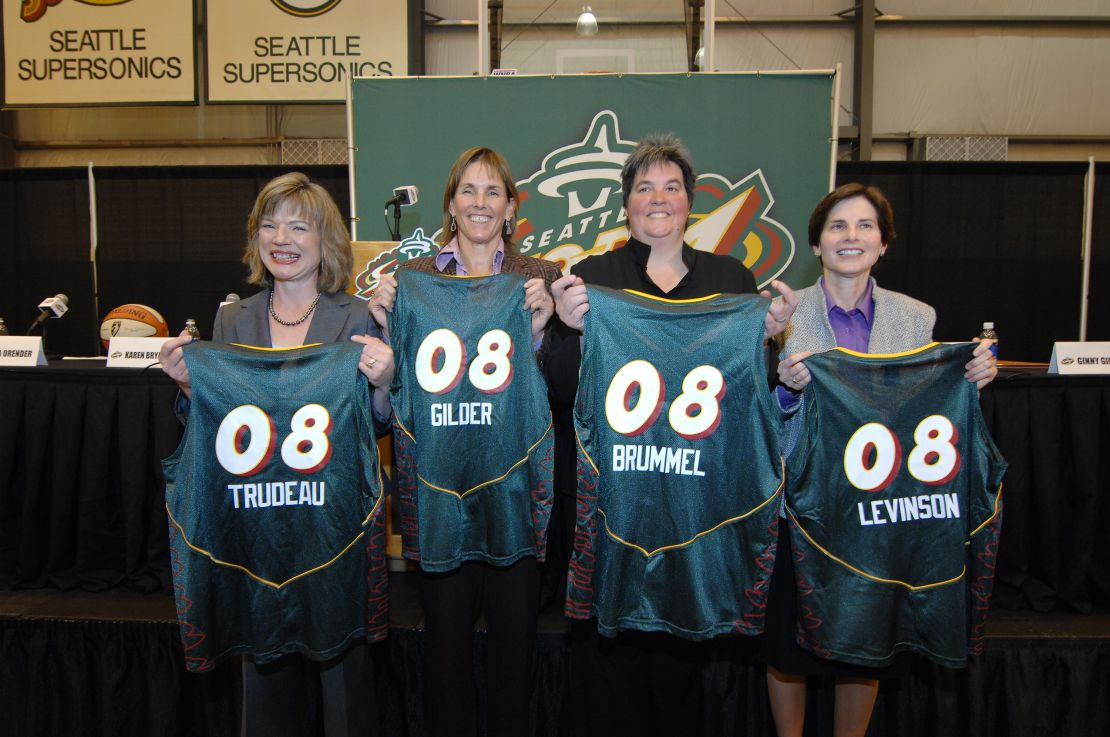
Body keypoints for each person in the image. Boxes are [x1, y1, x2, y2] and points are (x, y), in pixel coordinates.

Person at [548, 132, 797, 737]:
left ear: (691, 202)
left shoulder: (730, 278)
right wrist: (565, 325)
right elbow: (559, 387)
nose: (658, 198)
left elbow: (750, 393)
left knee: (682, 667)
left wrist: (768, 336)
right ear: (626, 203)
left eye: (671, 187)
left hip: (695, 504)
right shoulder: (594, 276)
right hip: (618, 505)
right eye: (643, 187)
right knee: (610, 664)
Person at [158, 171, 393, 737]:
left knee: (345, 689)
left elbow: (379, 424)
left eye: (297, 226)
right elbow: (215, 429)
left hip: (332, 527)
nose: (281, 238)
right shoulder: (231, 319)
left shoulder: (358, 317)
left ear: (325, 240)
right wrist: (189, 388)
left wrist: (386, 381)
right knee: (264, 689)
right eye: (269, 225)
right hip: (257, 526)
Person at [765, 182, 997, 737]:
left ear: (884, 243)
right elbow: (755, 421)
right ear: (816, 244)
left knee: (866, 646)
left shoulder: (916, 318)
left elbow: (927, 408)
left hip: (879, 508)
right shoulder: (781, 313)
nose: (851, 236)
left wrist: (971, 382)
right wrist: (786, 391)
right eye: (837, 226)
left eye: (864, 225)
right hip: (802, 508)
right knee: (787, 651)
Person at [369, 146, 560, 737]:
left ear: (511, 208)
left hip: (515, 493)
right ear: (450, 204)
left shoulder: (540, 279)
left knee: (513, 659)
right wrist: (384, 333)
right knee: (444, 658)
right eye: (468, 191)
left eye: (493, 192)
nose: (480, 202)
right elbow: (393, 394)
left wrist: (542, 330)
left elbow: (563, 391)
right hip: (440, 493)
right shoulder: (411, 282)